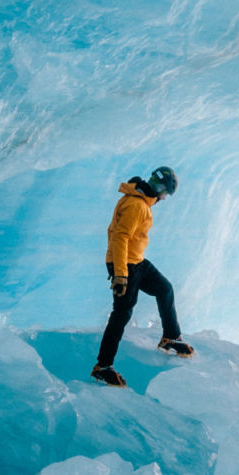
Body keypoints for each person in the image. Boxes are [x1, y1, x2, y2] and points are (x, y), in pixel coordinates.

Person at [91, 165, 194, 386]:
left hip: (136, 262)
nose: (165, 198)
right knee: (122, 313)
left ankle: (170, 337)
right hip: (125, 264)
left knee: (164, 288)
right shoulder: (136, 205)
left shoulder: (141, 201)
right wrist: (120, 275)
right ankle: (103, 366)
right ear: (159, 188)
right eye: (166, 193)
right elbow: (120, 238)